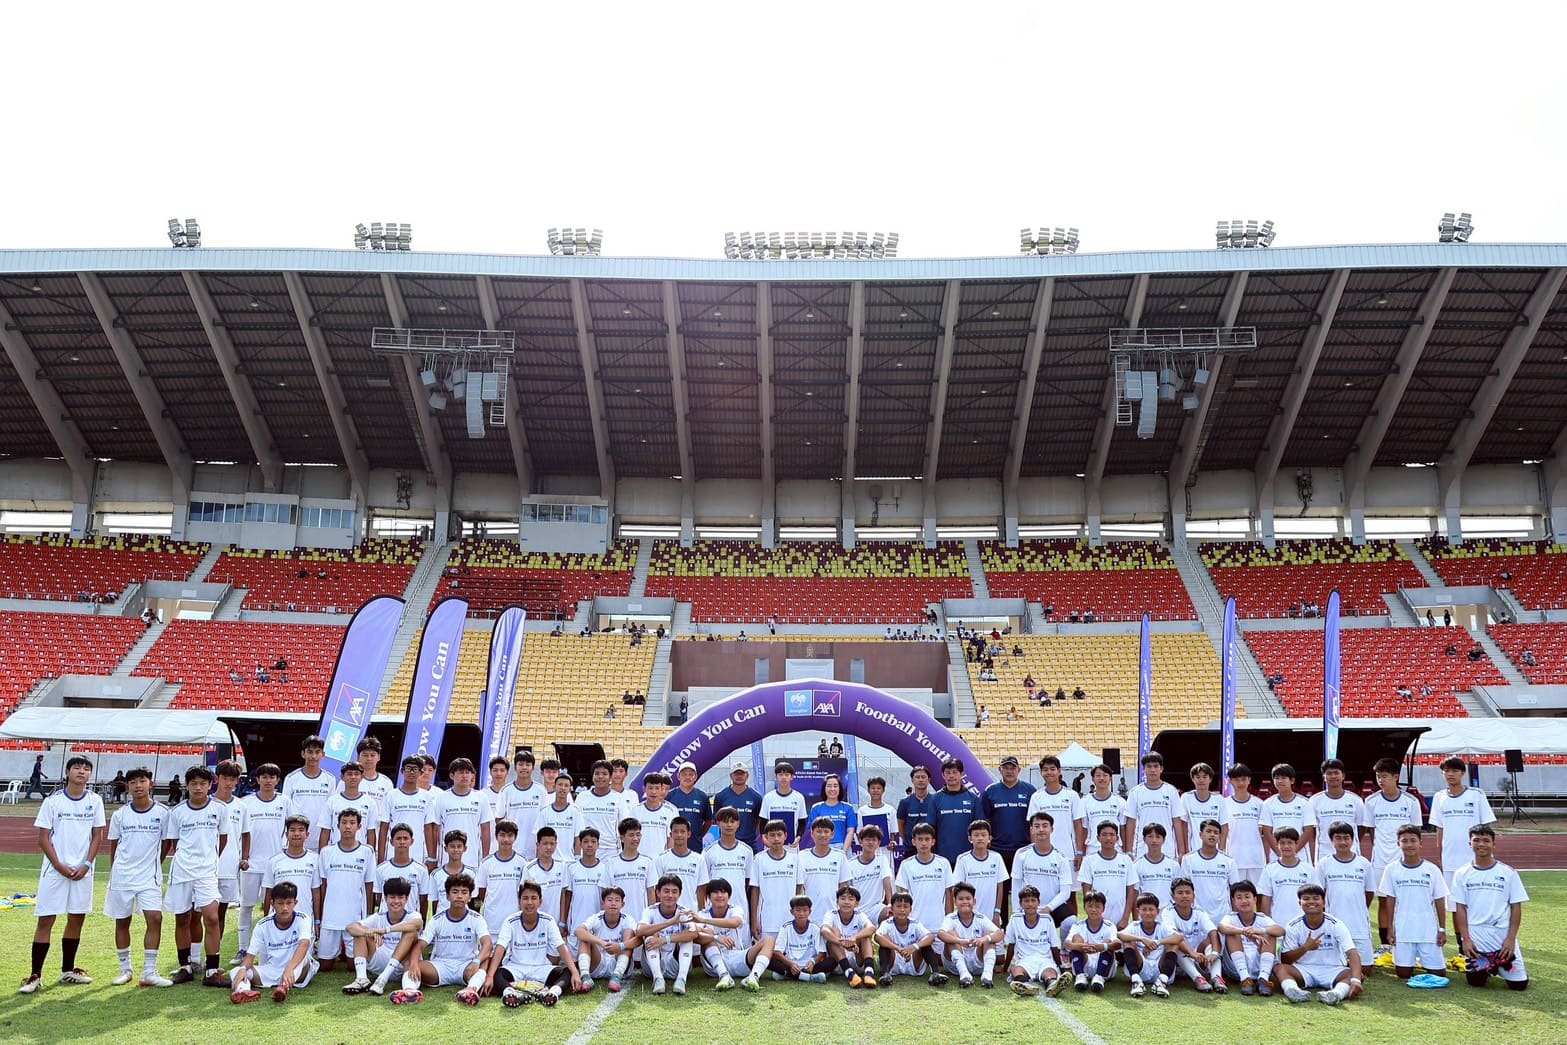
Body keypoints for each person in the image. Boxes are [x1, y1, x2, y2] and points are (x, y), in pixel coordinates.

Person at [21, 754, 106, 994]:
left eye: (86, 768)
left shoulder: (95, 801)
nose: (81, 771)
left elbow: (97, 835)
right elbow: (43, 838)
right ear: (68, 772)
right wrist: (58, 865)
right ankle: (35, 975)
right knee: (46, 920)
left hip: (82, 871)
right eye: (77, 767)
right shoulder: (53, 801)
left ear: (90, 774)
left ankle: (68, 971)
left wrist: (86, 864)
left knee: (76, 919)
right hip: (55, 870)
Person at [162, 764, 232, 987]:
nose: (198, 787)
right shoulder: (177, 812)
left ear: (210, 784)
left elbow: (223, 839)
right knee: (182, 918)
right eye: (194, 783)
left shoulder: (220, 809)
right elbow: (174, 842)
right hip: (182, 871)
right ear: (187, 785)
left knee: (211, 918)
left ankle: (212, 971)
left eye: (203, 783)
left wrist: (209, 859)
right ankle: (185, 967)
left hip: (207, 872)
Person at [104, 766, 171, 988]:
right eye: (133, 782)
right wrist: (115, 871)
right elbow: (114, 846)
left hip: (149, 877)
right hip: (122, 876)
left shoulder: (163, 813)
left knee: (155, 918)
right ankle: (126, 969)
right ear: (128, 787)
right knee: (122, 921)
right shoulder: (120, 814)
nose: (138, 786)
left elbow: (167, 843)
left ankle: (149, 972)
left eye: (142, 781)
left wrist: (155, 864)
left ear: (150, 783)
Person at [1429, 755, 1497, 948]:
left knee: (1478, 902)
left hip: (1475, 860)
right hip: (1451, 860)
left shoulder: (1476, 795)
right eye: (1446, 771)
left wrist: (1487, 854)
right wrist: (1440, 855)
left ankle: (1482, 943)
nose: (1450, 774)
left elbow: (1487, 826)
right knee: (1455, 905)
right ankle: (1463, 947)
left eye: (1455, 771)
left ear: (1463, 773)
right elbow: (1439, 829)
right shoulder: (1439, 797)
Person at [1451, 825, 1529, 990]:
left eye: (1486, 840)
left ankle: (1500, 965)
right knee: (1476, 982)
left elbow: (1516, 907)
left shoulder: (1508, 872)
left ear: (1494, 844)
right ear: (1470, 844)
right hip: (1477, 936)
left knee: (1519, 985)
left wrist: (1511, 939)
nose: (1481, 844)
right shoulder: (1461, 873)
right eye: (1476, 840)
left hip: (1502, 935)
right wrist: (1466, 940)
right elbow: (1460, 909)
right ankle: (1487, 967)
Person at [395, 873, 492, 1006]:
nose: (459, 896)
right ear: (447, 896)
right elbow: (420, 945)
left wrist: (476, 961)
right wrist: (414, 963)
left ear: (470, 897)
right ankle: (409, 991)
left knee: (485, 960)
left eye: (464, 892)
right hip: (440, 967)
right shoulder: (437, 919)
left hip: (467, 966)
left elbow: (487, 944)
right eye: (455, 892)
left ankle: (471, 990)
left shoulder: (476, 918)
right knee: (410, 962)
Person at [487, 879, 582, 1005]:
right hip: (516, 968)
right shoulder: (510, 921)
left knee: (568, 972)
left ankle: (552, 993)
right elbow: (500, 947)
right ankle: (511, 994)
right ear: (519, 901)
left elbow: (561, 946)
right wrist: (490, 976)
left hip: (541, 968)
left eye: (533, 898)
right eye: (525, 898)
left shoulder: (548, 920)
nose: (529, 902)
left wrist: (575, 973)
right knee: (497, 974)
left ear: (540, 901)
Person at [1365, 756, 1423, 955]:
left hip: (1404, 861)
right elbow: (1371, 830)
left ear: (1396, 777)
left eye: (1384, 776)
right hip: (1380, 860)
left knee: (1406, 901)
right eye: (1378, 777)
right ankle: (1385, 944)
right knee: (1383, 901)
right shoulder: (1371, 801)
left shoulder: (1411, 801)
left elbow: (1415, 832)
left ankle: (1406, 941)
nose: (1381, 780)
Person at [1379, 823, 1449, 980]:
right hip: (1403, 930)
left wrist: (1442, 929)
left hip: (1428, 930)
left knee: (1438, 974)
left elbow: (1440, 900)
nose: (1409, 845)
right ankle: (1409, 960)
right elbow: (1390, 900)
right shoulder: (1391, 869)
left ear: (1420, 843)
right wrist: (1390, 928)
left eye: (1413, 840)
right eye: (1404, 841)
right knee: (1403, 974)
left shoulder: (1432, 869)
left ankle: (1428, 960)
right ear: (1398, 843)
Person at [1275, 883, 1363, 1005]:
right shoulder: (1293, 925)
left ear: (1324, 902)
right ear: (1300, 903)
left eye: (1316, 898)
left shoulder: (1336, 924)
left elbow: (1352, 953)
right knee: (1280, 968)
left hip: (1333, 969)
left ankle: (1336, 994)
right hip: (1304, 969)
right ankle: (1293, 990)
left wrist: (1356, 981)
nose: (1311, 902)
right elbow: (1285, 960)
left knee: (1355, 974)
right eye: (1306, 899)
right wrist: (1305, 948)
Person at [229, 881, 317, 1003]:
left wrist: (289, 968)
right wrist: (243, 969)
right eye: (280, 903)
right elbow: (250, 956)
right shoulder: (262, 925)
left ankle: (284, 987)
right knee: (236, 971)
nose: (285, 908)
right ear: (272, 904)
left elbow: (304, 944)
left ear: (295, 903)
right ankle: (244, 991)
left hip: (298, 969)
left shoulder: (303, 919)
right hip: (273, 969)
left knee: (304, 958)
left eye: (289, 903)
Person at [314, 809, 376, 973]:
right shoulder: (327, 852)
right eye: (344, 823)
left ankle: (348, 951)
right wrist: (320, 918)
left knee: (352, 966)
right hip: (331, 918)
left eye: (352, 823)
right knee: (325, 966)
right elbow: (323, 886)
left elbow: (369, 885)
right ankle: (336, 950)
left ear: (359, 826)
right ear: (337, 826)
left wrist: (368, 917)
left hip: (354, 919)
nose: (348, 826)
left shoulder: (367, 852)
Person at [343, 874, 423, 996]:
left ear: (407, 899)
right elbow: (350, 927)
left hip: (403, 964)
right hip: (381, 960)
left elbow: (417, 924)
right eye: (392, 897)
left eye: (400, 897)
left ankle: (383, 979)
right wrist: (369, 932)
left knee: (411, 932)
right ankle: (362, 979)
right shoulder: (378, 917)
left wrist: (384, 930)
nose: (396, 901)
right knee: (359, 933)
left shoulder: (413, 915)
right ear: (385, 898)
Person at [1312, 821, 1377, 962]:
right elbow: (1319, 894)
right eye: (1338, 838)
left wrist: (1359, 908)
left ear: (1353, 840)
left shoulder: (1364, 864)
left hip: (1359, 926)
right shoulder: (1324, 864)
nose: (1343, 842)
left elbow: (1369, 893)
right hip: (1333, 925)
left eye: (1346, 838)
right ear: (1331, 840)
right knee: (1335, 965)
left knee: (1365, 967)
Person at [636, 874, 701, 995]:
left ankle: (681, 980)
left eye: (674, 892)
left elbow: (694, 932)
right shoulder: (650, 910)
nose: (670, 895)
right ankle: (658, 979)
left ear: (680, 894)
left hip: (677, 964)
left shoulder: (684, 911)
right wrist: (671, 922)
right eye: (666, 891)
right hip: (652, 966)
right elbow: (640, 931)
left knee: (687, 938)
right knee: (650, 937)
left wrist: (665, 940)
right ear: (658, 892)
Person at [1160, 877, 1225, 993]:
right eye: (1180, 893)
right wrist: (1191, 953)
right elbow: (1175, 937)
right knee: (1174, 944)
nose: (1184, 896)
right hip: (1179, 961)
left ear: (1193, 896)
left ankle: (1216, 978)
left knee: (1209, 943)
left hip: (1199, 958)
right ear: (1172, 896)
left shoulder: (1199, 912)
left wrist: (1215, 953)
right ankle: (1198, 979)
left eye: (1188, 892)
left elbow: (1212, 931)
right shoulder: (1167, 912)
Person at [1218, 880, 1282, 996]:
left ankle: (1264, 979)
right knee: (1232, 933)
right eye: (1239, 897)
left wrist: (1259, 931)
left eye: (1247, 897)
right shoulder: (1230, 917)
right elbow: (1222, 927)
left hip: (1260, 966)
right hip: (1236, 970)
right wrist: (1244, 931)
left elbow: (1280, 930)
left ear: (1255, 900)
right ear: (1234, 901)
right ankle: (1245, 980)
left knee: (1270, 933)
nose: (1244, 901)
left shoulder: (1262, 918)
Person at [1011, 812, 1074, 928]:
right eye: (1037, 826)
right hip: (1029, 905)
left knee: (1070, 921)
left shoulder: (1061, 858)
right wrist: (1016, 911)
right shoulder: (1021, 854)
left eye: (1045, 826)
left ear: (1052, 829)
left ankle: (1064, 942)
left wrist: (1048, 908)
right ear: (1031, 829)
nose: (1041, 829)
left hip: (1052, 907)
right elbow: (1016, 885)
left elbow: (1065, 892)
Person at [1004, 884, 1068, 997]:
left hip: (1044, 959)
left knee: (1049, 972)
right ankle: (1026, 986)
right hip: (1024, 960)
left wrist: (1060, 966)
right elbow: (1011, 945)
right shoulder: (1015, 919)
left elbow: (1054, 946)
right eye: (1026, 901)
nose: (1030, 904)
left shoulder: (1047, 920)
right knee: (1016, 970)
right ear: (1020, 903)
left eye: (1033, 900)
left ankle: (1052, 985)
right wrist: (1006, 967)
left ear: (1038, 902)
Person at [426, 758, 495, 863]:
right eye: (461, 772)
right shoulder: (440, 798)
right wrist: (433, 857)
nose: (465, 776)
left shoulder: (481, 797)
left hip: (472, 860)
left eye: (467, 772)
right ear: (452, 775)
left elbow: (485, 829)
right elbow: (435, 829)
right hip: (447, 859)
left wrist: (485, 858)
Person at [938, 881, 1004, 988]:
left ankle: (987, 976)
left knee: (989, 935)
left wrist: (983, 939)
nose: (965, 902)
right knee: (950, 934)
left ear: (974, 901)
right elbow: (940, 934)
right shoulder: (950, 918)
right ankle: (964, 975)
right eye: (961, 899)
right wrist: (960, 941)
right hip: (954, 966)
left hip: (977, 963)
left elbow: (999, 933)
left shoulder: (980, 917)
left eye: (968, 898)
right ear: (954, 901)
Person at [750, 895, 829, 985]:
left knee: (831, 961)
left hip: (809, 966)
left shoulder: (815, 927)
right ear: (792, 912)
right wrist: (790, 964)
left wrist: (813, 962)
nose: (801, 914)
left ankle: (787, 975)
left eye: (805, 910)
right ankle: (809, 977)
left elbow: (822, 953)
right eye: (798, 910)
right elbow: (777, 952)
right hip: (790, 965)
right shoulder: (786, 928)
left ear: (810, 912)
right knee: (769, 958)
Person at [574, 884, 638, 993]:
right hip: (598, 963)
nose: (613, 903)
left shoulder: (628, 919)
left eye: (617, 900)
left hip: (618, 960)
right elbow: (578, 931)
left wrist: (620, 946)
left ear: (622, 904)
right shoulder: (596, 918)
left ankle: (617, 976)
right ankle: (585, 976)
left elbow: (639, 939)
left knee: (629, 932)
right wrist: (601, 943)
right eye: (609, 900)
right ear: (602, 903)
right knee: (585, 935)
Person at [873, 891, 944, 987]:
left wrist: (914, 947)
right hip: (894, 961)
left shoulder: (915, 923)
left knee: (924, 943)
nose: (902, 910)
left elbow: (930, 937)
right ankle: (885, 974)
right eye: (898, 906)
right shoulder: (886, 923)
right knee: (884, 942)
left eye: (905, 906)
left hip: (913, 961)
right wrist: (898, 948)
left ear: (910, 909)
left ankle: (935, 973)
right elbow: (877, 937)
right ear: (892, 909)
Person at [748, 819, 803, 942]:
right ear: (766, 837)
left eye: (779, 834)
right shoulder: (759, 859)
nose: (776, 839)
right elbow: (755, 891)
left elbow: (799, 889)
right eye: (772, 835)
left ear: (785, 836)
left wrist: (798, 915)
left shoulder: (795, 859)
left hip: (790, 920)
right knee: (768, 952)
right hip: (767, 921)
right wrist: (754, 920)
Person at [894, 823, 952, 939]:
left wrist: (949, 923)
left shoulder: (943, 863)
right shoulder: (906, 865)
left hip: (939, 926)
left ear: (933, 841)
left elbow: (949, 894)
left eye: (927, 839)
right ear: (913, 842)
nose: (924, 843)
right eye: (920, 839)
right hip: (915, 927)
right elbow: (903, 895)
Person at [981, 755, 1035, 876]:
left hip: (1023, 848)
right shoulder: (990, 791)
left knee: (1022, 885)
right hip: (998, 848)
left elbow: (1035, 821)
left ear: (1019, 770)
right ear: (1000, 770)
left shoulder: (1030, 790)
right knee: (1000, 885)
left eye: (1012, 768)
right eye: (1006, 768)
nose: (1009, 771)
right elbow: (985, 819)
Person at [1026, 756, 1084, 868]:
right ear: (1041, 772)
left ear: (1059, 771)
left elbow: (1078, 825)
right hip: (1044, 854)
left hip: (1069, 855)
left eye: (1052, 769)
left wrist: (1079, 852)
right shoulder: (1036, 797)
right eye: (1045, 769)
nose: (1049, 772)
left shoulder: (1072, 795)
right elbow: (1033, 827)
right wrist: (1035, 852)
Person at [1079, 821, 1138, 931]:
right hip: (1098, 921)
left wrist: (1125, 918)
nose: (1108, 838)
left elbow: (1131, 891)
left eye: (1112, 835)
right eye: (1104, 835)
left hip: (1121, 921)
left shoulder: (1126, 860)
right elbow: (1086, 892)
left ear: (1117, 838)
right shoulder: (1089, 861)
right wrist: (1095, 916)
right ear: (1098, 838)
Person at [282, 736, 336, 854]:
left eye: (317, 752)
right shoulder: (291, 778)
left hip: (320, 839)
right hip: (297, 839)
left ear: (323, 755)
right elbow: (285, 810)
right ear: (303, 754)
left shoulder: (330, 779)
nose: (313, 756)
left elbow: (331, 811)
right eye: (310, 752)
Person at [1309, 759, 1369, 865]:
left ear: (1343, 776)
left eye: (1336, 773)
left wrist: (1348, 842)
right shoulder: (1314, 801)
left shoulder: (1355, 800)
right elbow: (1312, 829)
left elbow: (1361, 827)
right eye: (1329, 773)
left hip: (1351, 853)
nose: (1333, 776)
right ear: (1324, 777)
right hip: (1324, 853)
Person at [1125, 753, 1183, 859]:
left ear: (1161, 769)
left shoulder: (1171, 791)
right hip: (1142, 849)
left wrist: (1181, 851)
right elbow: (1131, 822)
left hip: (1167, 849)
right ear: (1144, 769)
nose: (1152, 770)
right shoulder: (1135, 792)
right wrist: (1129, 851)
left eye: (1156, 766)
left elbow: (1177, 822)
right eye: (1149, 766)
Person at [1180, 819, 1238, 925]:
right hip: (1197, 918)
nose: (1212, 835)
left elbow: (1235, 891)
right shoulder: (1188, 860)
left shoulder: (1228, 861)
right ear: (1200, 835)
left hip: (1223, 918)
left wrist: (1235, 919)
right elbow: (1184, 889)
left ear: (1219, 837)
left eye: (1216, 833)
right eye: (1208, 831)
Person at [476, 820, 528, 938]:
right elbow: (481, 894)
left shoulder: (522, 862)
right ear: (496, 836)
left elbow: (524, 892)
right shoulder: (486, 863)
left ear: (515, 837)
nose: (506, 839)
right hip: (492, 922)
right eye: (502, 835)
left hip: (515, 921)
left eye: (510, 835)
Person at [1064, 890, 1123, 992]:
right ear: (1084, 907)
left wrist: (1102, 947)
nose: (1093, 910)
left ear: (1103, 908)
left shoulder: (1109, 926)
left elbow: (1118, 944)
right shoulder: (1077, 925)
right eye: (1090, 906)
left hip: (1105, 966)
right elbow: (1067, 943)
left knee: (1108, 942)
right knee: (1076, 939)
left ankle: (1099, 977)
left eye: (1097, 906)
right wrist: (1080, 947)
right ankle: (1080, 976)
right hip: (1084, 962)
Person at [562, 828, 609, 954]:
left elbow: (607, 898)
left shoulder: (605, 869)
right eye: (586, 841)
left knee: (595, 961)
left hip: (597, 926)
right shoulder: (572, 868)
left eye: (593, 842)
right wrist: (564, 921)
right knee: (576, 961)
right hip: (576, 924)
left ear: (598, 844)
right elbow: (568, 896)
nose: (589, 845)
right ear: (580, 844)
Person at [1116, 892, 1172, 998]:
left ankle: (1162, 982)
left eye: (1151, 909)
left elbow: (1179, 937)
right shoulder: (1134, 925)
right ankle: (1136, 981)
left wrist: (1157, 942)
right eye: (1144, 909)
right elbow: (1119, 935)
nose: (1148, 913)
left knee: (1173, 943)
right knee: (1128, 941)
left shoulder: (1162, 926)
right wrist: (1142, 939)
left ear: (1157, 911)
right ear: (1138, 911)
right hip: (1141, 967)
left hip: (1159, 968)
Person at [953, 820, 1008, 923]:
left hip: (991, 916)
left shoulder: (996, 858)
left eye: (983, 835)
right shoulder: (962, 859)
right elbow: (958, 888)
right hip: (969, 917)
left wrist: (997, 912)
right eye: (976, 835)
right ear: (970, 838)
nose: (980, 838)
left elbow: (1000, 887)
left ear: (989, 838)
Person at [1257, 827, 1313, 928]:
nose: (1286, 846)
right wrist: (1267, 926)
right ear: (1277, 844)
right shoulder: (1269, 869)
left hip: (1303, 925)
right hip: (1278, 924)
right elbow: (1266, 899)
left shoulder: (1308, 869)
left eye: (1290, 843)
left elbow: (1314, 897)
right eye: (1282, 843)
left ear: (1296, 843)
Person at [1220, 764, 1266, 884]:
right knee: (1236, 893)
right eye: (1236, 780)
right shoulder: (1224, 804)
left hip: (1256, 859)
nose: (1240, 783)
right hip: (1234, 859)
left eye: (1244, 779)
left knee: (1257, 893)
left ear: (1249, 780)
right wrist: (1222, 854)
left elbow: (1264, 834)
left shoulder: (1259, 804)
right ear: (1230, 781)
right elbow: (1223, 832)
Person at [376, 823, 430, 922]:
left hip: (410, 923)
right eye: (398, 838)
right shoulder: (381, 869)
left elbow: (423, 900)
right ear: (391, 842)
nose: (402, 842)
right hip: (386, 923)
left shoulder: (421, 869)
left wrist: (422, 923)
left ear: (412, 841)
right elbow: (379, 898)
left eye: (405, 838)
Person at [799, 817, 850, 920]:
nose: (822, 835)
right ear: (812, 834)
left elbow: (844, 886)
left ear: (832, 834)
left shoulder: (840, 856)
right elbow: (799, 888)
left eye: (826, 832)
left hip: (833, 916)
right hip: (808, 916)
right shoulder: (802, 856)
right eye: (819, 831)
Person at [931, 758, 980, 865]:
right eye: (948, 773)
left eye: (954, 772)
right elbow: (931, 828)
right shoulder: (936, 799)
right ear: (943, 775)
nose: (951, 776)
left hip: (969, 857)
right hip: (943, 857)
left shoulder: (973, 798)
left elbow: (980, 827)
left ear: (962, 774)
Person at [844, 825, 894, 925]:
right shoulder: (850, 864)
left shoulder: (882, 860)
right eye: (867, 839)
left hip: (876, 908)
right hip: (856, 910)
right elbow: (845, 889)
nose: (870, 842)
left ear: (878, 843)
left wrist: (890, 904)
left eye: (874, 840)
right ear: (861, 842)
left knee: (892, 914)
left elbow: (887, 884)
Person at [709, 761, 764, 850]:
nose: (739, 776)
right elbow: (717, 820)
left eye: (742, 774)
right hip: (726, 844)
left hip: (749, 843)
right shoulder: (721, 796)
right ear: (731, 776)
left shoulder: (756, 797)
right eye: (736, 774)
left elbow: (759, 820)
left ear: (747, 776)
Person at [608, 818, 657, 911]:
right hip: (618, 918)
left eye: (638, 835)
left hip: (641, 918)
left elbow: (651, 892)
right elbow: (606, 894)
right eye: (631, 835)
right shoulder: (611, 863)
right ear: (622, 838)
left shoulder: (648, 862)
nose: (635, 839)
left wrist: (651, 916)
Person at [526, 826, 571, 919]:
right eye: (545, 843)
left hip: (556, 921)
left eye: (552, 844)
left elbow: (563, 895)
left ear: (556, 844)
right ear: (538, 845)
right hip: (536, 921)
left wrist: (562, 921)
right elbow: (525, 897)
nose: (549, 847)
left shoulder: (562, 866)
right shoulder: (529, 868)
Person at [760, 762, 808, 848]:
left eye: (786, 774)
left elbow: (802, 822)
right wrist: (764, 839)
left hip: (791, 845)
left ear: (792, 777)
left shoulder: (799, 797)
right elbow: (763, 821)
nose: (783, 777)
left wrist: (798, 838)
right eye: (780, 774)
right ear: (776, 777)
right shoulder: (768, 797)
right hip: (771, 845)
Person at [1132, 823, 1177, 910]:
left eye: (1158, 837)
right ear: (1144, 839)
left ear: (1164, 840)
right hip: (1146, 913)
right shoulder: (1137, 865)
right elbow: (1135, 893)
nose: (1154, 840)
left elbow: (1177, 891)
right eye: (1150, 837)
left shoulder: (1173, 865)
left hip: (1168, 913)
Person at [667, 762, 710, 852]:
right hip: (673, 846)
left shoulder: (702, 796)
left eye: (690, 774)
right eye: (684, 774)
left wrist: (699, 835)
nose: (687, 777)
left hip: (695, 846)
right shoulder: (669, 796)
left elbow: (708, 821)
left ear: (695, 777)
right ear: (678, 776)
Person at [895, 766, 937, 852]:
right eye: (917, 777)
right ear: (912, 780)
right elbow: (901, 827)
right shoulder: (904, 802)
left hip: (931, 849)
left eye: (923, 777)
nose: (920, 780)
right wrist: (909, 842)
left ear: (929, 780)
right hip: (910, 848)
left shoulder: (935, 801)